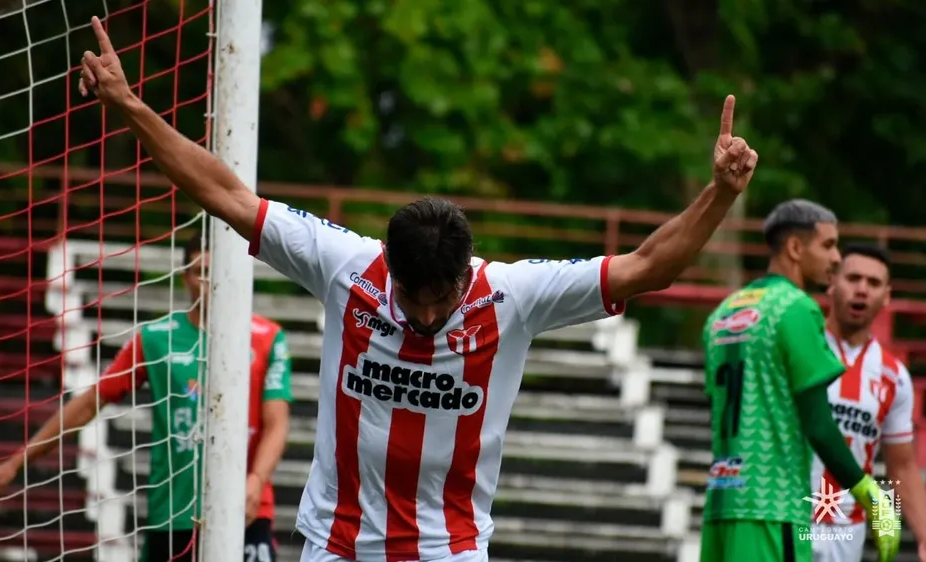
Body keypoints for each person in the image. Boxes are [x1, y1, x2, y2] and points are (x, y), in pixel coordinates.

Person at [76, 15, 759, 562]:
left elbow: (648, 267)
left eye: (443, 297)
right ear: (390, 272)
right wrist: (130, 104)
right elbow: (225, 194)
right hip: (335, 545)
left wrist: (721, 194)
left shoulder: (513, 294)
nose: (429, 315)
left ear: (468, 270)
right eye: (414, 298)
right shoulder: (346, 266)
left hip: (448, 549)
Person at [0, 231, 293, 562]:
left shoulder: (269, 339)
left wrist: (256, 479)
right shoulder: (155, 339)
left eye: (219, 271)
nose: (211, 281)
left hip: (246, 508)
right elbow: (90, 403)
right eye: (202, 271)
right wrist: (16, 463)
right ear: (185, 278)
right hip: (173, 513)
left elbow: (277, 423)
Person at [699, 200, 901, 562]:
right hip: (772, 507)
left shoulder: (722, 313)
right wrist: (869, 494)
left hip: (721, 506)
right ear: (795, 248)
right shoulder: (796, 307)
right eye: (827, 245)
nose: (836, 257)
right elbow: (819, 424)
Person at [810, 243, 926, 562]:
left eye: (873, 283)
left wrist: (924, 535)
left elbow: (901, 465)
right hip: (788, 518)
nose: (862, 290)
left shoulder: (894, 375)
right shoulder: (802, 345)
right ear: (832, 282)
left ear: (887, 296)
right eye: (854, 278)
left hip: (848, 530)